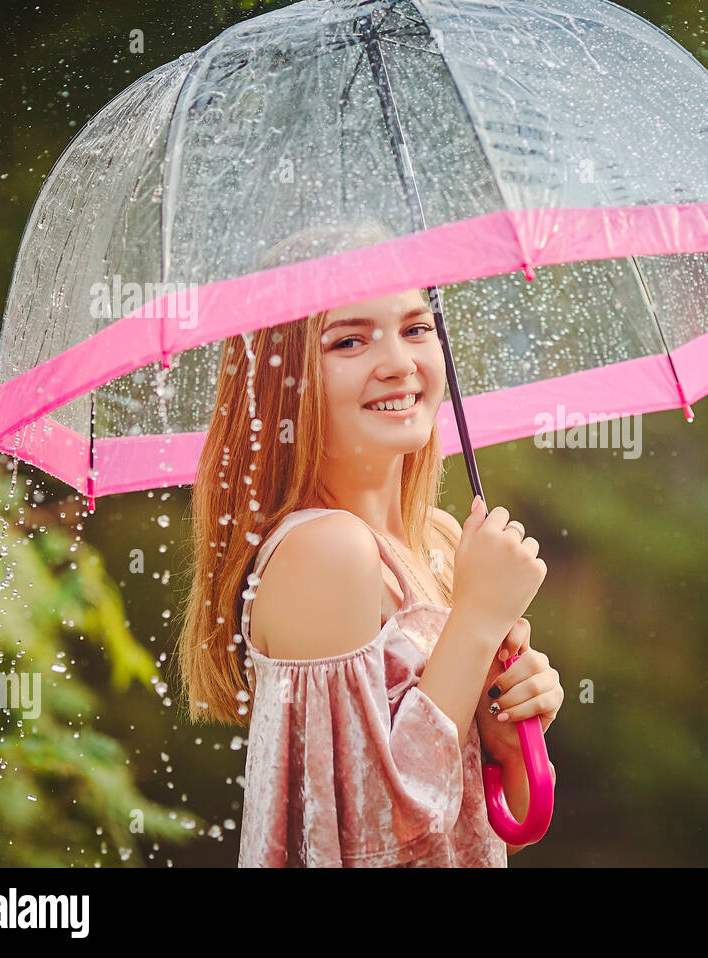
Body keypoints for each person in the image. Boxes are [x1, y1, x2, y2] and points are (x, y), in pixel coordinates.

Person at [172, 224, 563, 866]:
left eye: (415, 328)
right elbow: (374, 840)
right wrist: (476, 621)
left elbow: (468, 828)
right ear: (284, 381)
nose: (398, 363)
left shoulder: (438, 541)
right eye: (349, 340)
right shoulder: (326, 551)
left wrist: (506, 739)